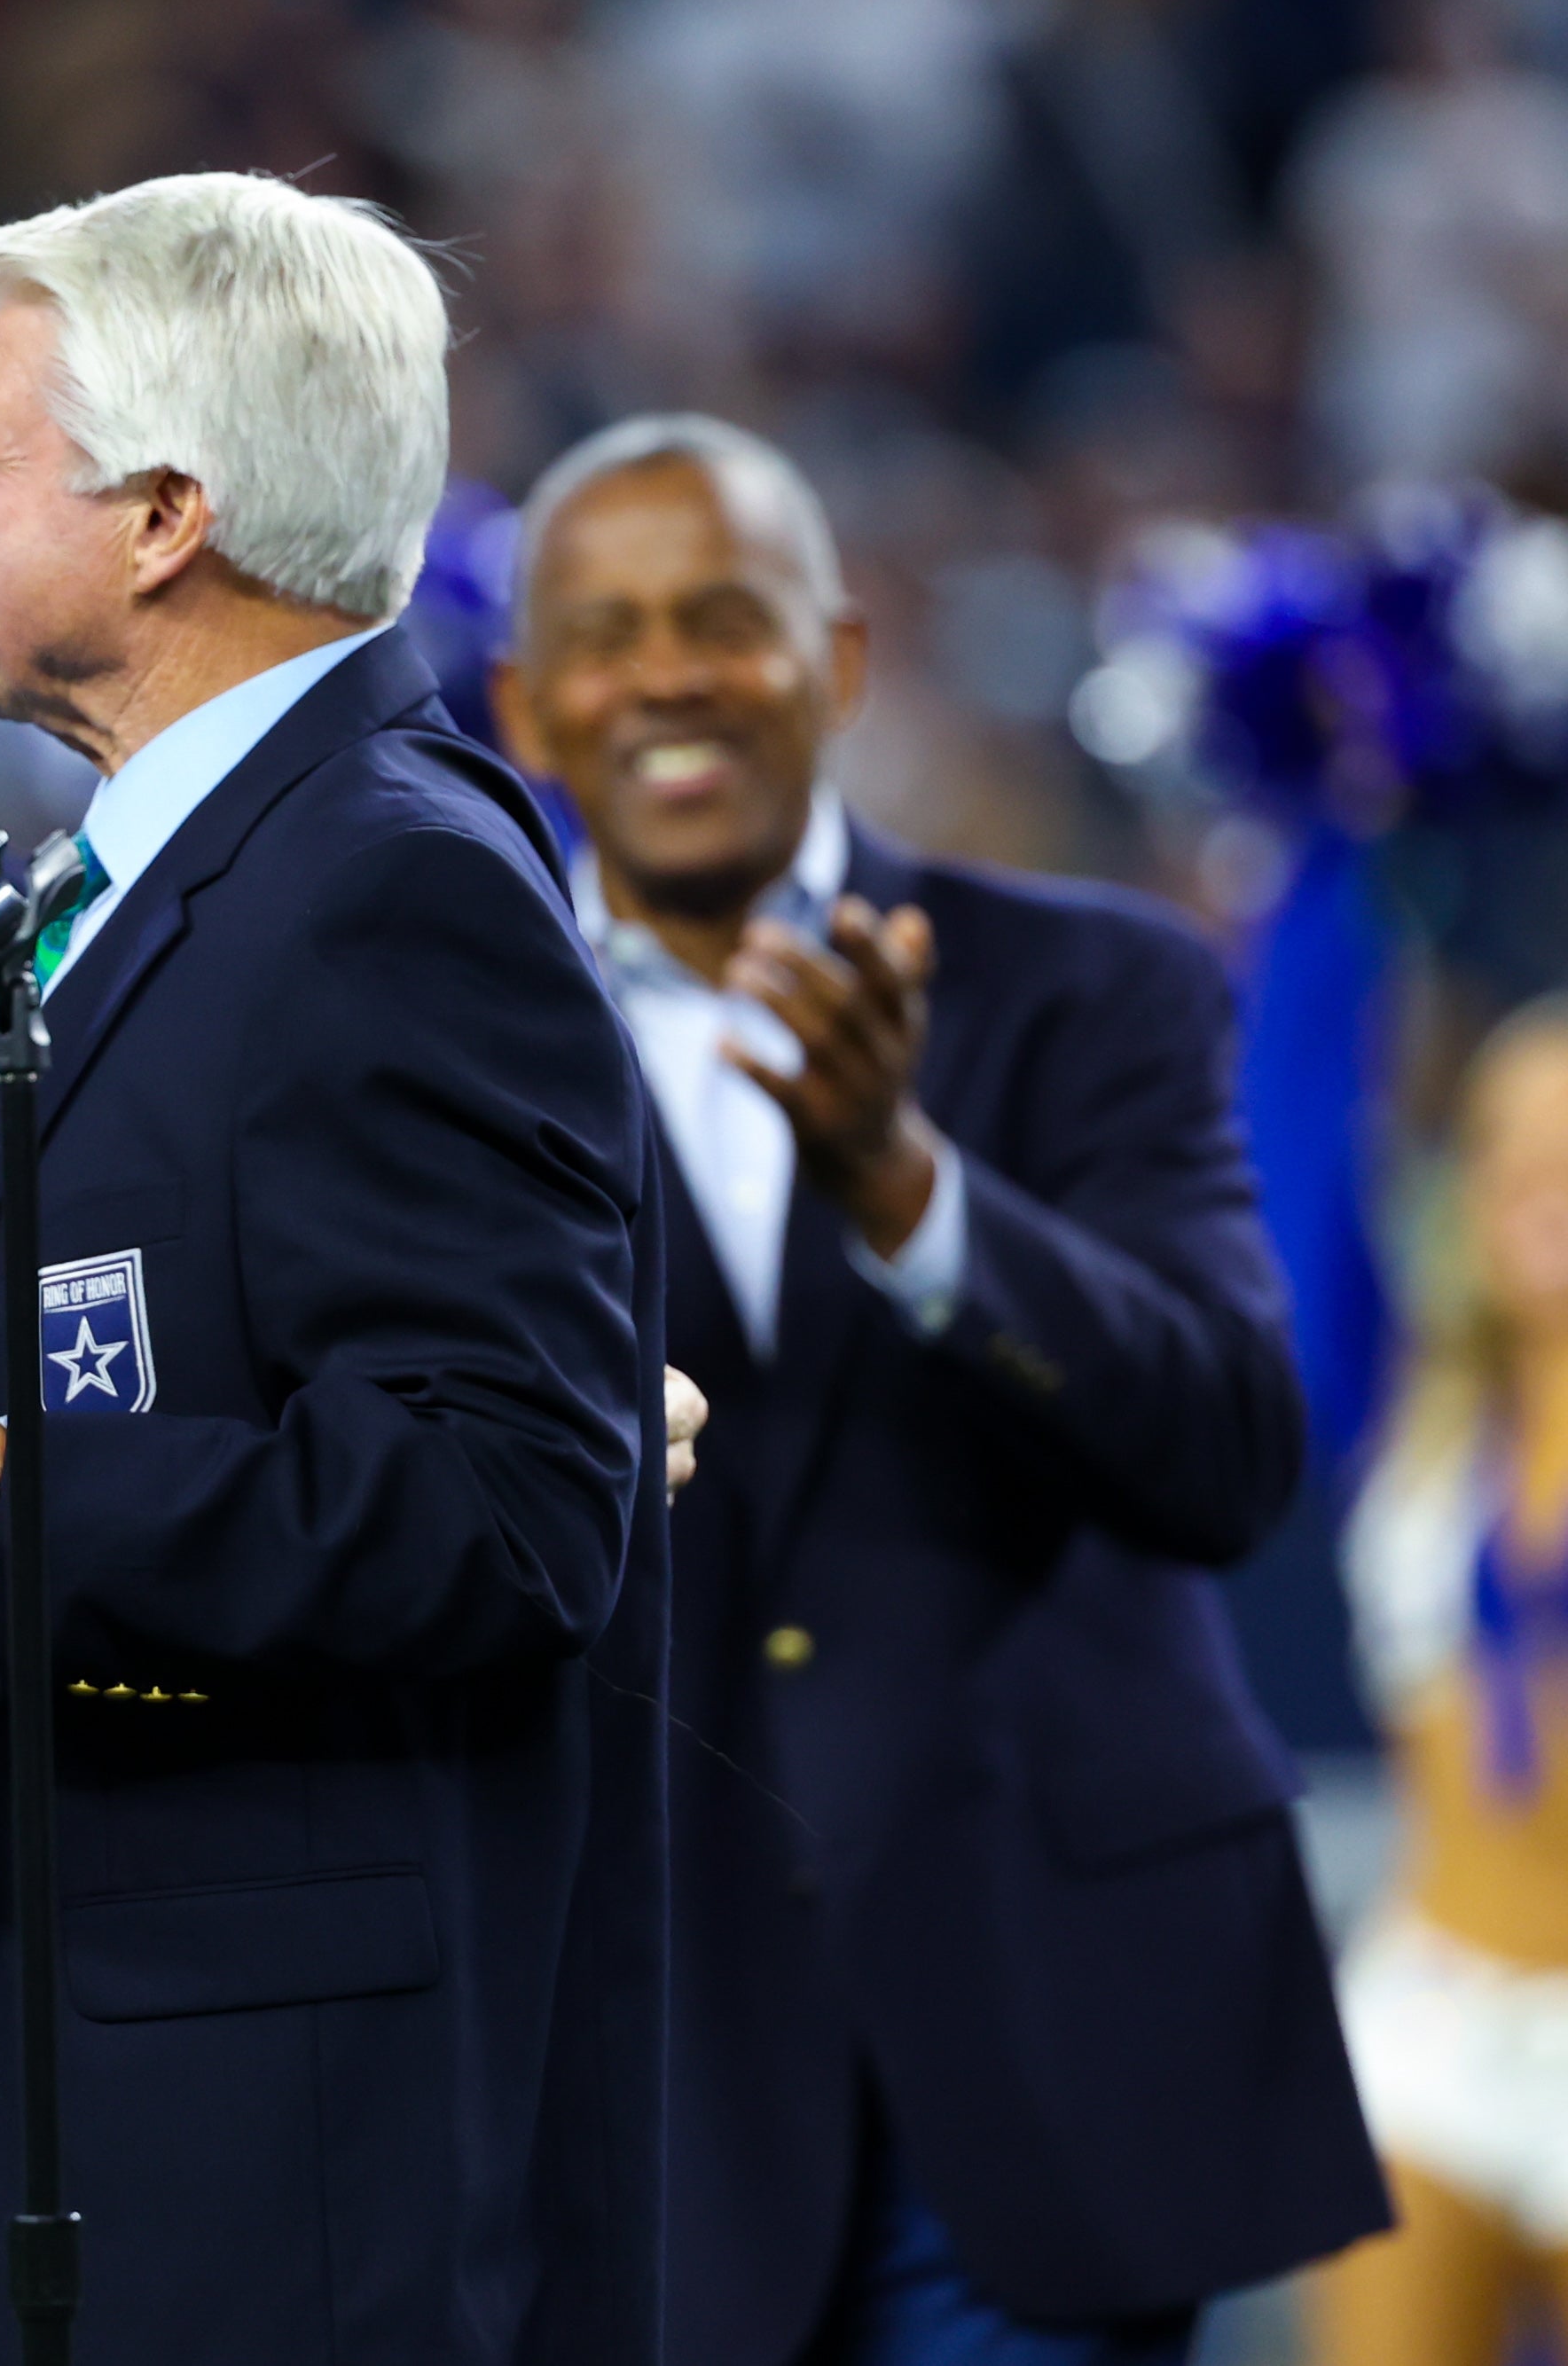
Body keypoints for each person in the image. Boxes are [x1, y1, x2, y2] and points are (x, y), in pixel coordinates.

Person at [0, 173, 673, 2366]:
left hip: (233, 2200)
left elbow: (506, 1508)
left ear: (161, 514)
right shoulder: (143, 877)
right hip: (59, 2134)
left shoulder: (385, 888)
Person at [488, 411, 1385, 2366]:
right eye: (606, 630)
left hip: (1051, 2037)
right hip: (663, 2084)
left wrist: (912, 1195)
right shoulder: (457, 1057)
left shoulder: (1093, 987)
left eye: (722, 614)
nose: (664, 673)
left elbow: (1228, 1448)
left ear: (840, 657)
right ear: (523, 704)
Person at [1318, 999, 1568, 2363]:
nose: (1543, 1175)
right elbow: (1300, 1157)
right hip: (1435, 2019)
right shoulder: (1419, 1429)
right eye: (1508, 1141)